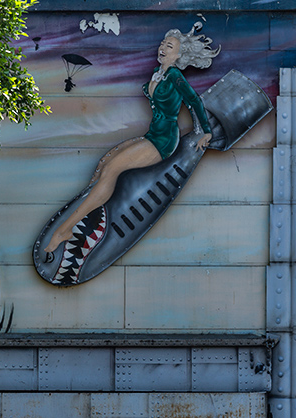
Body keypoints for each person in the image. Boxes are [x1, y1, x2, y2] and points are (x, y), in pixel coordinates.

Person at [44, 24, 220, 255]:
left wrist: (206, 131)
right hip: (152, 134)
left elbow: (194, 101)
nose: (162, 48)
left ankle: (65, 230)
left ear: (178, 55)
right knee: (105, 165)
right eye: (163, 44)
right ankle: (89, 207)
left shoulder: (175, 76)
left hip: (164, 139)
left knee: (112, 170)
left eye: (169, 46)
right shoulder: (159, 73)